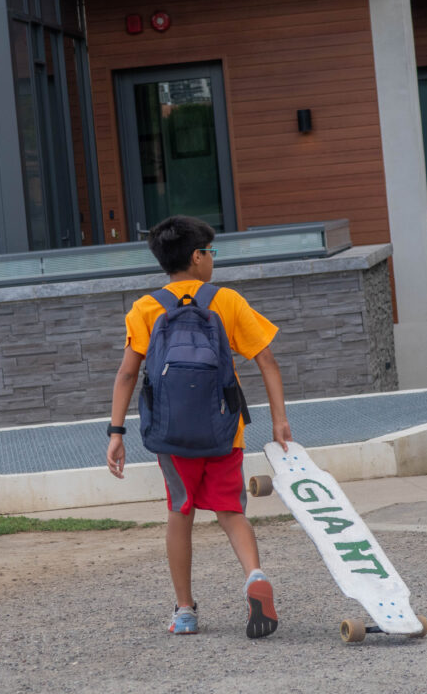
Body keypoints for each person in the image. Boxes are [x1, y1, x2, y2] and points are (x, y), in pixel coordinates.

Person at [106, 215, 292, 638]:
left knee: (180, 511)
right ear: (196, 256)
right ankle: (253, 576)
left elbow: (126, 375)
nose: (213, 260)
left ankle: (185, 610)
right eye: (212, 252)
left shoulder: (146, 308)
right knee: (231, 510)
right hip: (224, 430)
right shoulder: (225, 301)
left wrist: (115, 433)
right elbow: (267, 361)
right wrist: (280, 421)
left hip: (171, 435)